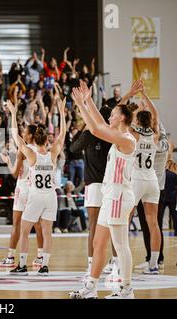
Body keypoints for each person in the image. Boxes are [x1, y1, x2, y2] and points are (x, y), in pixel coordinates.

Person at [70, 80, 136, 299]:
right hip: (110, 195)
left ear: (122, 118)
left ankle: (126, 289)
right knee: (99, 243)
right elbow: (97, 125)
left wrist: (83, 104)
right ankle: (91, 286)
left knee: (120, 244)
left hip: (119, 196)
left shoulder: (127, 140)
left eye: (113, 114)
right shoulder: (117, 136)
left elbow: (97, 129)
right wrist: (87, 101)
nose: (110, 116)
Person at [8, 96, 66, 276]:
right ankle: (45, 265)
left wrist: (13, 113)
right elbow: (63, 133)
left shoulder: (31, 154)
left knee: (24, 231)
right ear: (46, 141)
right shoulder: (53, 152)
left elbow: (15, 135)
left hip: (35, 196)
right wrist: (62, 113)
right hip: (51, 196)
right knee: (47, 232)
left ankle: (23, 265)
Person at [70, 106, 112, 278]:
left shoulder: (90, 133)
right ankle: (114, 264)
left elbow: (73, 148)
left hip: (94, 185)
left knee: (94, 225)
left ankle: (91, 264)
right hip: (109, 185)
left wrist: (82, 129)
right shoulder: (112, 134)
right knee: (111, 226)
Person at [0, 124, 45, 268]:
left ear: (29, 135)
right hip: (35, 190)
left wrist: (8, 162)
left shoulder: (23, 150)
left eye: (25, 132)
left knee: (16, 224)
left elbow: (15, 173)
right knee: (38, 225)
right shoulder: (42, 150)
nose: (22, 133)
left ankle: (10, 257)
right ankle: (40, 257)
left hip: (23, 189)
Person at [128, 82, 162, 274]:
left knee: (124, 220)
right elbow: (156, 115)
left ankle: (118, 259)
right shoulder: (155, 135)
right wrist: (146, 97)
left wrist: (137, 108)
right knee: (154, 223)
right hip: (152, 181)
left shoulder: (134, 135)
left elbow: (128, 120)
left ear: (138, 122)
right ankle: (154, 264)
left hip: (137, 181)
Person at [135, 123, 169, 271]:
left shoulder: (139, 139)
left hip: (141, 182)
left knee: (128, 221)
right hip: (155, 184)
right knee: (154, 224)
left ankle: (117, 261)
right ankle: (153, 260)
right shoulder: (159, 142)